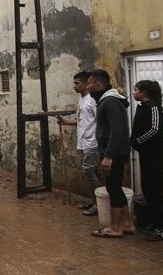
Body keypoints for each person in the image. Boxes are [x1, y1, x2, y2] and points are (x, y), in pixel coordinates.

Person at [88, 69, 135, 238]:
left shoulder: (110, 102)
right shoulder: (107, 101)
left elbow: (117, 130)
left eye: (89, 83)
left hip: (113, 153)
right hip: (112, 152)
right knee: (115, 187)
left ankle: (115, 227)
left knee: (113, 188)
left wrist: (108, 156)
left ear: (98, 84)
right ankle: (127, 223)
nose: (88, 87)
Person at [130, 80, 163, 241]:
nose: (133, 93)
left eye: (136, 90)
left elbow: (154, 129)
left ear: (144, 93)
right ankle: (154, 221)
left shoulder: (153, 107)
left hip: (156, 154)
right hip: (146, 153)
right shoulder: (142, 107)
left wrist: (138, 141)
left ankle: (162, 228)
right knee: (146, 188)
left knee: (155, 189)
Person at [57, 72, 99, 217]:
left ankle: (98, 204)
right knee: (90, 173)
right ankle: (93, 201)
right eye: (74, 83)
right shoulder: (82, 100)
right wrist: (66, 122)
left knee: (90, 172)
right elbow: (83, 121)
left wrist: (96, 139)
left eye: (77, 83)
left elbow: (100, 122)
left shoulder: (92, 101)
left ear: (86, 84)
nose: (74, 86)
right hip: (84, 141)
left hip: (92, 142)